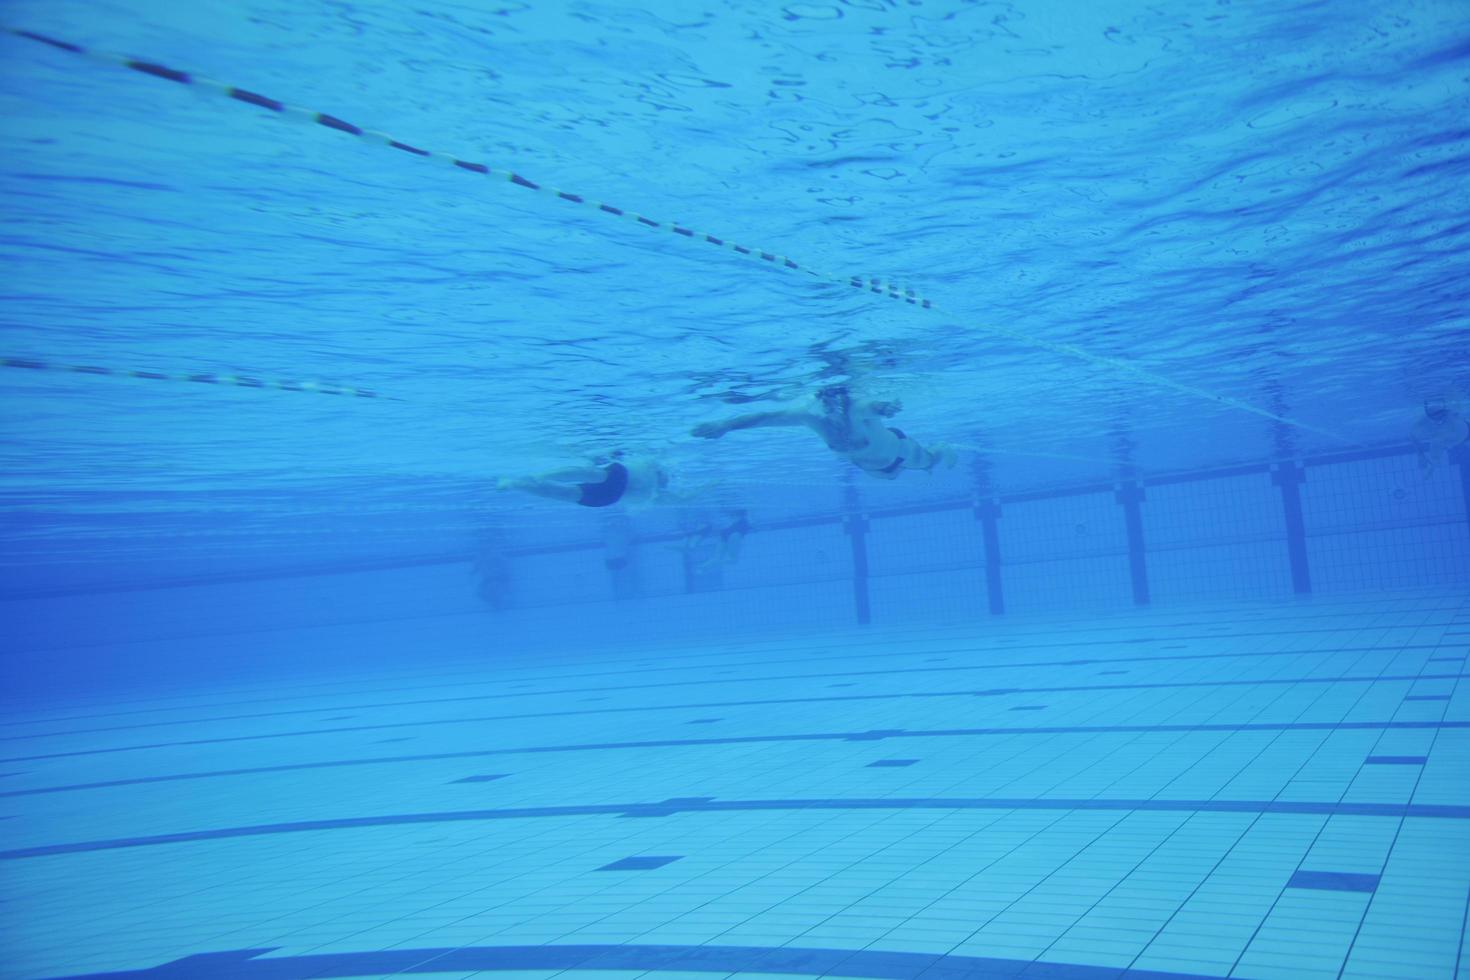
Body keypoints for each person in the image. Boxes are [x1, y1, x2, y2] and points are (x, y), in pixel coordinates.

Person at [692, 385, 955, 479]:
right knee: (898, 476)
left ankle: (943, 448)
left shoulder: (855, 408)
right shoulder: (812, 417)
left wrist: (885, 407)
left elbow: (871, 407)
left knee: (929, 461)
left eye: (838, 403)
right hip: (873, 470)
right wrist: (724, 426)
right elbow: (765, 417)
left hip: (900, 452)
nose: (833, 409)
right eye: (827, 403)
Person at [498, 455, 670, 507]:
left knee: (590, 475)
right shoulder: (649, 491)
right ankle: (514, 484)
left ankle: (536, 478)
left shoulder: (647, 466)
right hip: (608, 497)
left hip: (617, 481)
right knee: (563, 492)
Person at [1413, 396, 1469, 478]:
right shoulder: (1439, 436)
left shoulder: (1448, 424)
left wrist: (1421, 456)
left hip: (1461, 431)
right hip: (1461, 431)